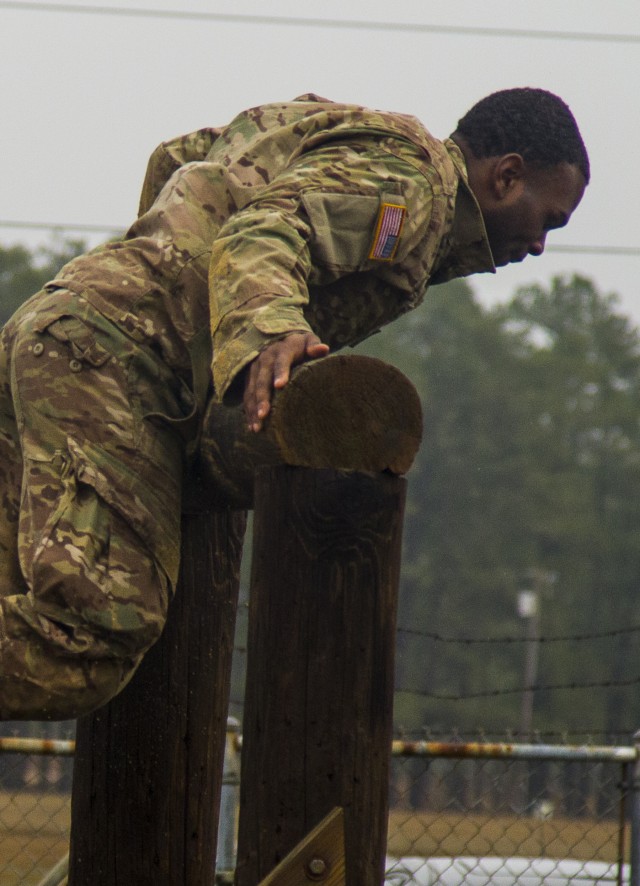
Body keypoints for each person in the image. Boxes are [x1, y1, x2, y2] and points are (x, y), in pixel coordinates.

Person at [0, 88, 588, 720]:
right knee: (88, 636)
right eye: (549, 220)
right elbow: (268, 228)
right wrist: (269, 330)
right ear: (506, 176)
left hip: (65, 333)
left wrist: (148, 279)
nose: (538, 246)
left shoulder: (354, 136)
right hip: (113, 364)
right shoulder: (413, 189)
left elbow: (181, 160)